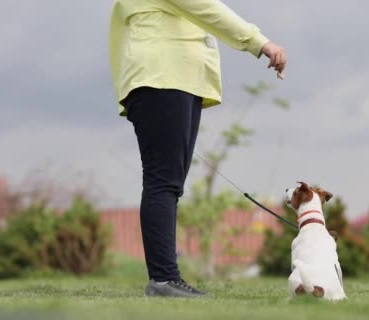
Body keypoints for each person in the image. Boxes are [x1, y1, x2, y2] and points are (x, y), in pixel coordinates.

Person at [109, 0, 287, 298]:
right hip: (163, 77)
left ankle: (165, 278)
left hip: (169, 79)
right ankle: (164, 279)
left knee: (168, 183)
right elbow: (205, 6)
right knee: (163, 181)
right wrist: (259, 42)